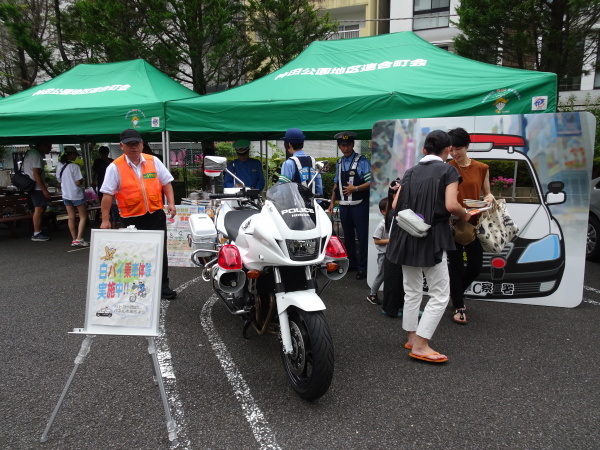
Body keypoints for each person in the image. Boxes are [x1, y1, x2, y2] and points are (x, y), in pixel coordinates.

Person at [387, 130, 471, 363]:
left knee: (412, 291)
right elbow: (452, 205)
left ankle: (412, 338)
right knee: (440, 294)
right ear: (448, 150)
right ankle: (421, 346)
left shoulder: (410, 172)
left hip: (407, 236)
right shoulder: (449, 170)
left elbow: (395, 204)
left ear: (424, 150)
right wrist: (465, 214)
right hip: (433, 237)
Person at [100, 129, 178, 300]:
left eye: (136, 143)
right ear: (122, 146)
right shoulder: (115, 167)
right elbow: (107, 194)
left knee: (159, 252)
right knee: (134, 254)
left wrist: (170, 203)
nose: (134, 147)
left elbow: (166, 183)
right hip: (131, 218)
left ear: (142, 144)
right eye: (129, 144)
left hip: (155, 215)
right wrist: (105, 219)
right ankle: (137, 287)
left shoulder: (153, 161)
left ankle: (163, 287)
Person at [447, 127, 495, 324]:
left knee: (475, 267)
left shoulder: (482, 167)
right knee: (456, 267)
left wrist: (490, 198)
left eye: (458, 148)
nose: (454, 153)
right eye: (451, 149)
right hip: (452, 224)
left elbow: (487, 193)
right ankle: (459, 306)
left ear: (467, 146)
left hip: (475, 225)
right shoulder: (447, 167)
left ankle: (455, 292)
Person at [327, 131, 371, 280]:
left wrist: (356, 188)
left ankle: (363, 267)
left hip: (359, 204)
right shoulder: (339, 162)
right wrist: (332, 202)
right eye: (342, 145)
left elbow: (371, 182)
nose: (345, 148)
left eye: (348, 145)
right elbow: (336, 183)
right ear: (339, 146)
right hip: (344, 205)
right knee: (348, 237)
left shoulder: (362, 161)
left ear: (352, 145)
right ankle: (352, 263)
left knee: (363, 237)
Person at [56, 146, 89, 247]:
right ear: (71, 154)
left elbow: (58, 180)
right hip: (76, 194)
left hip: (66, 194)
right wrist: (83, 181)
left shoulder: (59, 165)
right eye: (75, 155)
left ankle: (74, 239)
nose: (76, 157)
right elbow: (78, 182)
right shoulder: (74, 167)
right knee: (83, 216)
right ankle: (79, 238)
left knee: (71, 217)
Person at [22, 139, 53, 241]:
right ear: (42, 145)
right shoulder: (36, 155)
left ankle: (38, 230)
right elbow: (36, 173)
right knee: (39, 209)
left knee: (41, 208)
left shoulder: (30, 152)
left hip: (31, 186)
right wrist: (44, 189)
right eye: (48, 146)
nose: (50, 149)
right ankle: (36, 233)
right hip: (36, 187)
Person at [278, 129, 323, 195]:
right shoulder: (313, 161)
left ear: (289, 144)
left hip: (295, 204)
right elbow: (319, 185)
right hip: (312, 202)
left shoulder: (288, 163)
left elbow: (284, 187)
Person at [366, 198, 389, 305]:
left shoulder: (392, 223)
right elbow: (376, 240)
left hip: (391, 254)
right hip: (383, 255)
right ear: (383, 211)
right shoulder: (382, 224)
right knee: (381, 275)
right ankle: (372, 294)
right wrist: (390, 241)